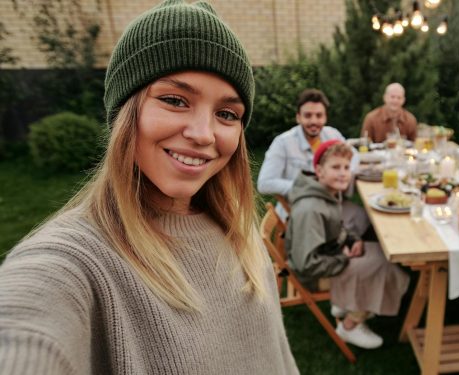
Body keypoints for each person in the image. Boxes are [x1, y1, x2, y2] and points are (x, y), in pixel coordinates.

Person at [0, 1, 298, 373]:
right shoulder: (78, 261)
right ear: (126, 111)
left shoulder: (240, 232)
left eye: (226, 114)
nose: (204, 134)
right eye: (175, 100)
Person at [285, 140, 409, 350]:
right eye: (335, 167)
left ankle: (346, 303)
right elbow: (307, 265)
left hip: (330, 254)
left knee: (382, 253)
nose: (343, 173)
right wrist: (344, 258)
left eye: (346, 167)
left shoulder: (326, 193)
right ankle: (351, 324)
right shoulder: (310, 209)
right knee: (385, 266)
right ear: (319, 170)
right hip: (314, 275)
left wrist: (353, 240)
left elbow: (336, 226)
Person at [257, 88, 362, 225]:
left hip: (332, 204)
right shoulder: (283, 143)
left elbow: (354, 156)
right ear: (298, 117)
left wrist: (344, 175)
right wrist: (311, 186)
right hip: (298, 210)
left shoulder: (332, 134)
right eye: (308, 115)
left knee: (365, 219)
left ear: (325, 117)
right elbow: (264, 183)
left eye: (319, 115)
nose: (314, 121)